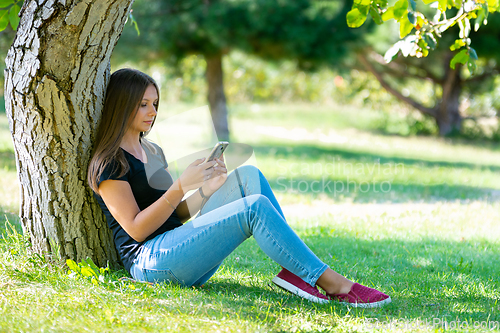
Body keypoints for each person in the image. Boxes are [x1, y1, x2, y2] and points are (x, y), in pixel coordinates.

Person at [87, 68, 391, 308]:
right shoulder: (109, 163)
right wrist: (181, 186)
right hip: (150, 263)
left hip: (178, 249)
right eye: (143, 105)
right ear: (122, 105)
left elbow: (173, 216)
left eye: (154, 104)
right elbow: (137, 230)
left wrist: (205, 190)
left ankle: (296, 273)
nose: (152, 112)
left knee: (248, 174)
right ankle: (334, 284)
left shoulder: (151, 151)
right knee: (254, 207)